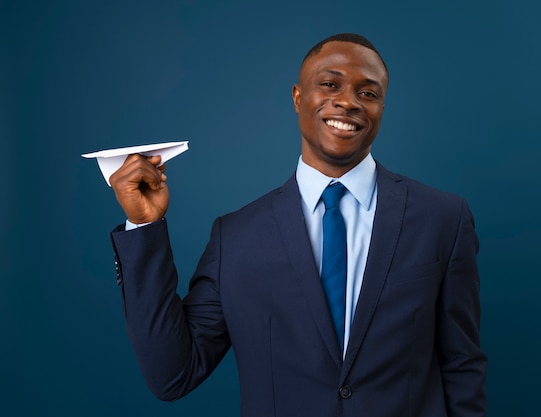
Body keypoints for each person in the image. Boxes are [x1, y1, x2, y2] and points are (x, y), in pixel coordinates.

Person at [108, 33, 487, 416]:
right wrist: (143, 227)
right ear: (297, 97)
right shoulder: (236, 238)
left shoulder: (443, 219)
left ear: (382, 110)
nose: (348, 102)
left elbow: (461, 365)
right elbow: (172, 374)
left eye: (368, 94)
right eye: (330, 84)